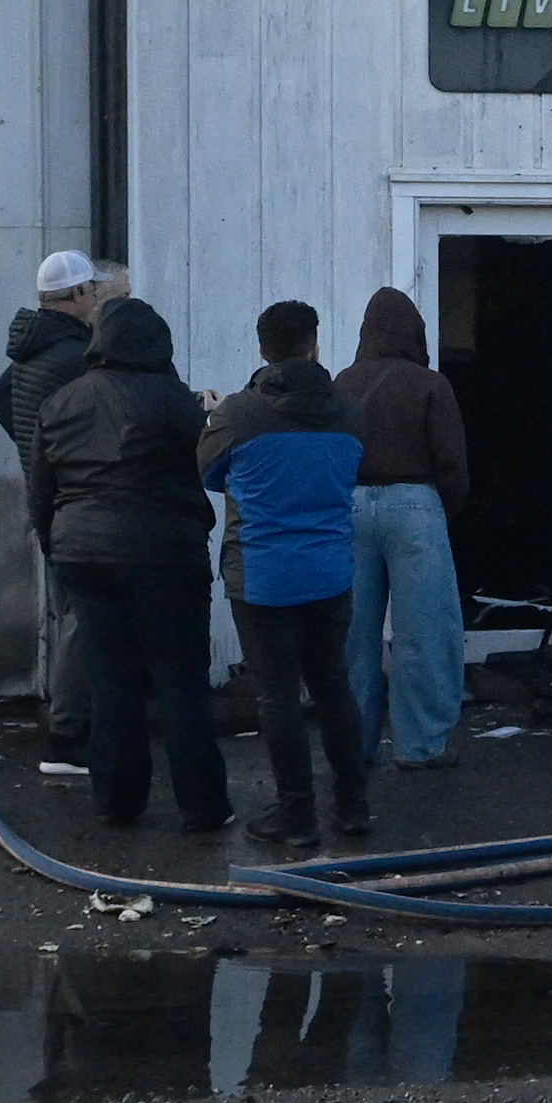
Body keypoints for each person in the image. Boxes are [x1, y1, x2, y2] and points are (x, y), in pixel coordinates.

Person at [26, 296, 230, 831]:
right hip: (165, 552)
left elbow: (40, 492)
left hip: (82, 553)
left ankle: (118, 800)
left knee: (111, 678)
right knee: (180, 681)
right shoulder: (175, 402)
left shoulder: (61, 401)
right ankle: (203, 807)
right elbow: (210, 464)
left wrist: (59, 545)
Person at [199, 300, 374, 849]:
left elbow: (207, 472)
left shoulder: (236, 414)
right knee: (332, 684)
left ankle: (296, 816)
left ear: (261, 348)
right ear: (314, 345)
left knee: (277, 695)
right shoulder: (351, 412)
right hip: (330, 572)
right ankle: (353, 805)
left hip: (263, 574)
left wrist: (211, 418)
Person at [334, 287, 471, 771]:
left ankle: (354, 746)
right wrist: (442, 509)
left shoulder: (343, 382)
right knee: (424, 632)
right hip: (415, 504)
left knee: (354, 634)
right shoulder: (430, 384)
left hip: (349, 507)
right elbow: (451, 463)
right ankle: (422, 745)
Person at [0, 249, 108, 778]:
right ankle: (69, 738)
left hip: (48, 496)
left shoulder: (30, 351)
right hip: (75, 498)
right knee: (84, 621)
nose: (100, 300)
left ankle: (79, 723)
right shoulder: (74, 355)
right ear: (78, 296)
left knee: (72, 616)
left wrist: (29, 446)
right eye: (96, 292)